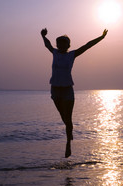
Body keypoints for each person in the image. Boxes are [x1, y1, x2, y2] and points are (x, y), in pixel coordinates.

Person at [41, 28, 108, 158]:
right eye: (59, 43)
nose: (61, 45)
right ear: (57, 44)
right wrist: (42, 36)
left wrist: (101, 37)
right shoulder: (54, 53)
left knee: (68, 117)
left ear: (68, 45)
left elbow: (87, 45)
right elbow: (47, 44)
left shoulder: (72, 54)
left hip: (67, 89)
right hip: (55, 88)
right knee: (62, 116)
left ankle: (68, 144)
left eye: (63, 43)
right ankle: (69, 130)